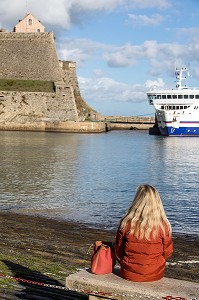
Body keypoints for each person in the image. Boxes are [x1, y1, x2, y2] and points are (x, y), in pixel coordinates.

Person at [115, 184, 173, 282]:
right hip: (154, 274)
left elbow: (118, 249)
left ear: (137, 201)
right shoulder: (163, 225)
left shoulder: (126, 223)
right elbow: (167, 253)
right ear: (157, 202)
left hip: (128, 273)